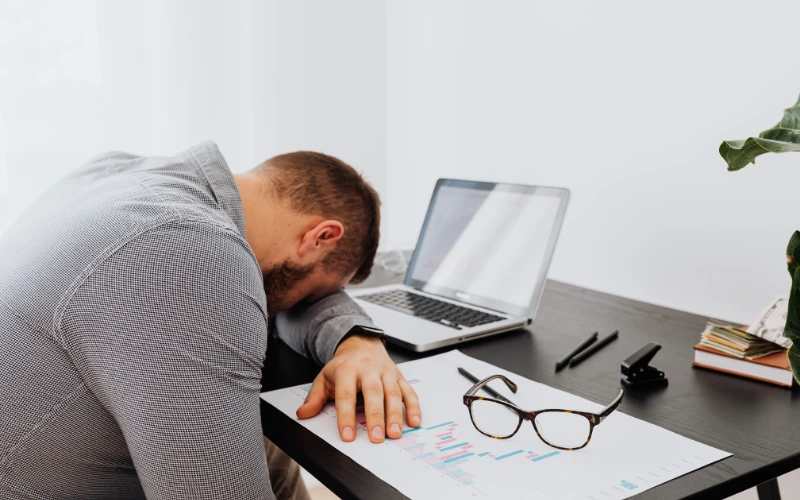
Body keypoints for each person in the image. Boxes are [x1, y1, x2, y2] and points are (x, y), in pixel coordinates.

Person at [0, 141, 421, 499]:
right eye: (313, 293)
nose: (292, 307)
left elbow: (287, 299)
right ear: (321, 237)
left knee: (267, 448)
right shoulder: (188, 252)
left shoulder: (122, 174)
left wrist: (356, 341)